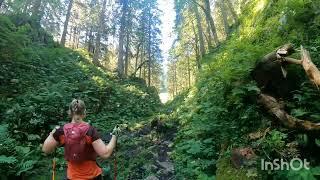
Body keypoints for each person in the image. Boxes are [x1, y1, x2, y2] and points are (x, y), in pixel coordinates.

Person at [42, 99, 120, 180]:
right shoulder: (90, 131)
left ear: (69, 112)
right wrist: (114, 136)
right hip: (92, 176)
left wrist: (52, 134)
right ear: (84, 113)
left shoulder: (61, 131)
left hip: (72, 177)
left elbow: (45, 149)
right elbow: (105, 154)